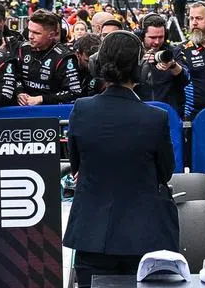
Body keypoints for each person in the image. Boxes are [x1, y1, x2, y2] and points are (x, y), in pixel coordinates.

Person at [63, 30, 178, 286]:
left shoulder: (81, 109)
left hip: (91, 233)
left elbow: (76, 164)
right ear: (139, 68)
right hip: (143, 236)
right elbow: (166, 171)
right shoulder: (154, 117)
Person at [14, 10, 82, 105]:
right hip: (23, 109)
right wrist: (19, 93)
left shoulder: (64, 57)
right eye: (29, 31)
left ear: (51, 35)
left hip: (50, 112)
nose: (30, 36)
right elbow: (15, 77)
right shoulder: (23, 49)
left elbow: (75, 92)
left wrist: (42, 99)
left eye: (36, 33)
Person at [138, 14, 188, 117]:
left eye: (161, 37)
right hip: (140, 113)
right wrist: (141, 64)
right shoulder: (133, 52)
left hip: (168, 114)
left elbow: (185, 79)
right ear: (142, 35)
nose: (156, 42)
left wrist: (173, 65)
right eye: (152, 37)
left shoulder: (174, 51)